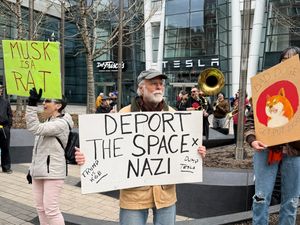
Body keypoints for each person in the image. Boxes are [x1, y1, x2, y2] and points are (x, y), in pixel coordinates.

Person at [75, 69, 207, 225]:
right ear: (141, 88)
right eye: (153, 84)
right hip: (134, 195)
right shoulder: (123, 115)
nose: (159, 87)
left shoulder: (173, 115)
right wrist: (87, 157)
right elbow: (106, 151)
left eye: (161, 84)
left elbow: (181, 149)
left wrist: (196, 152)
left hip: (165, 194)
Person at [244, 46, 300, 225]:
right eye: (285, 60)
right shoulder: (266, 87)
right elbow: (251, 121)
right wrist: (252, 140)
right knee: (260, 197)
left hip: (295, 152)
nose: (289, 63)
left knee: (291, 201)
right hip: (266, 149)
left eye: (294, 59)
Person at [25, 88, 74, 225]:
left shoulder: (61, 124)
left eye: (47, 101)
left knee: (51, 210)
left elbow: (34, 128)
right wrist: (32, 169)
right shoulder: (49, 121)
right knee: (40, 209)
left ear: (58, 106)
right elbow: (38, 150)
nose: (44, 103)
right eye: (43, 100)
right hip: (39, 171)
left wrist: (31, 104)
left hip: (54, 172)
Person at [0, 84, 13, 174]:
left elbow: (10, 115)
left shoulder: (5, 101)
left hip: (4, 128)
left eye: (1, 89)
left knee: (5, 148)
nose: (1, 90)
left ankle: (6, 167)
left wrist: (8, 126)